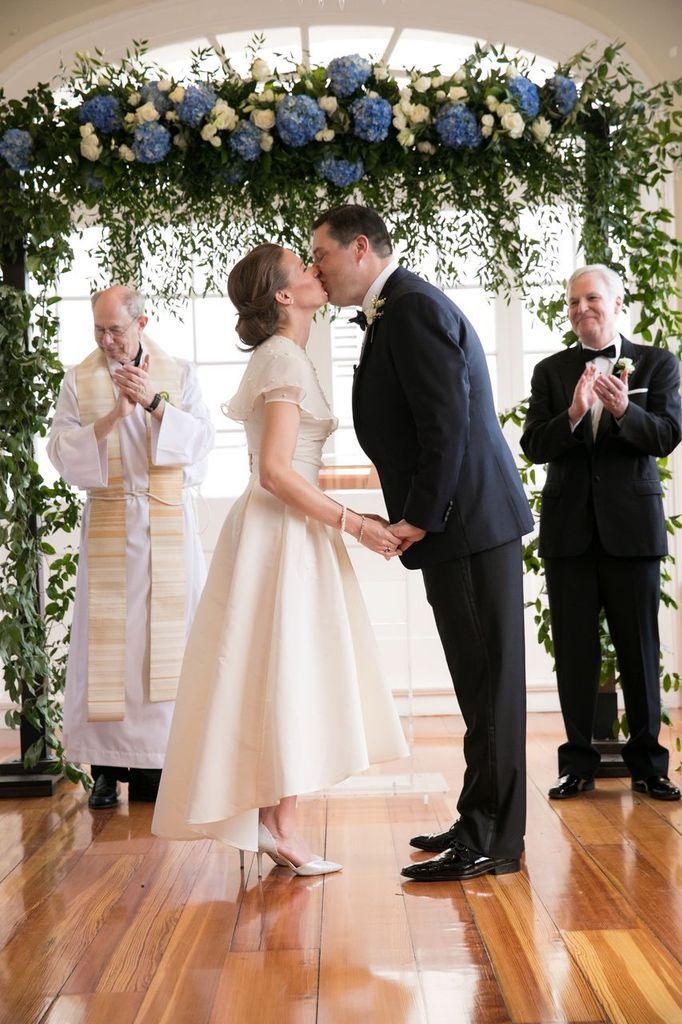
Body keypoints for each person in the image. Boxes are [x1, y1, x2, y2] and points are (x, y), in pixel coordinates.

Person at [152, 243, 408, 875]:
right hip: (282, 531)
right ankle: (281, 826)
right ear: (285, 297)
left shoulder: (284, 355)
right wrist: (352, 524)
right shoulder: (282, 359)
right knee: (285, 672)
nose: (317, 271)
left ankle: (276, 822)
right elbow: (273, 472)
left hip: (284, 532)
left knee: (279, 674)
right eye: (304, 269)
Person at [312, 205, 534, 882]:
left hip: (464, 523)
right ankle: (479, 818)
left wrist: (420, 516)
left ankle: (492, 839)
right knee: (479, 682)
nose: (315, 266)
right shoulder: (401, 307)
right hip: (462, 522)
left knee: (490, 684)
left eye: (319, 253)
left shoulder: (407, 310)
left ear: (358, 249)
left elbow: (448, 425)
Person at [47, 285, 214, 808]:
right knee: (108, 651)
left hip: (165, 523)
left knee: (167, 649)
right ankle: (105, 770)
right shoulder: (79, 379)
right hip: (111, 526)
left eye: (115, 329)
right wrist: (112, 418)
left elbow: (203, 443)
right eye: (98, 329)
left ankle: (158, 770)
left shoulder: (179, 372)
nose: (106, 340)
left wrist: (153, 403)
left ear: (142, 324)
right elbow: (60, 451)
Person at [521, 264, 681, 801]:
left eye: (591, 299)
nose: (581, 309)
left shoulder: (658, 364)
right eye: (573, 302)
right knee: (574, 652)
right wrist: (573, 412)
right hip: (569, 532)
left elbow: (666, 435)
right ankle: (577, 764)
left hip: (631, 531)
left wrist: (620, 412)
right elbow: (534, 446)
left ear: (616, 304)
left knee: (639, 648)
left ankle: (648, 764)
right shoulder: (550, 371)